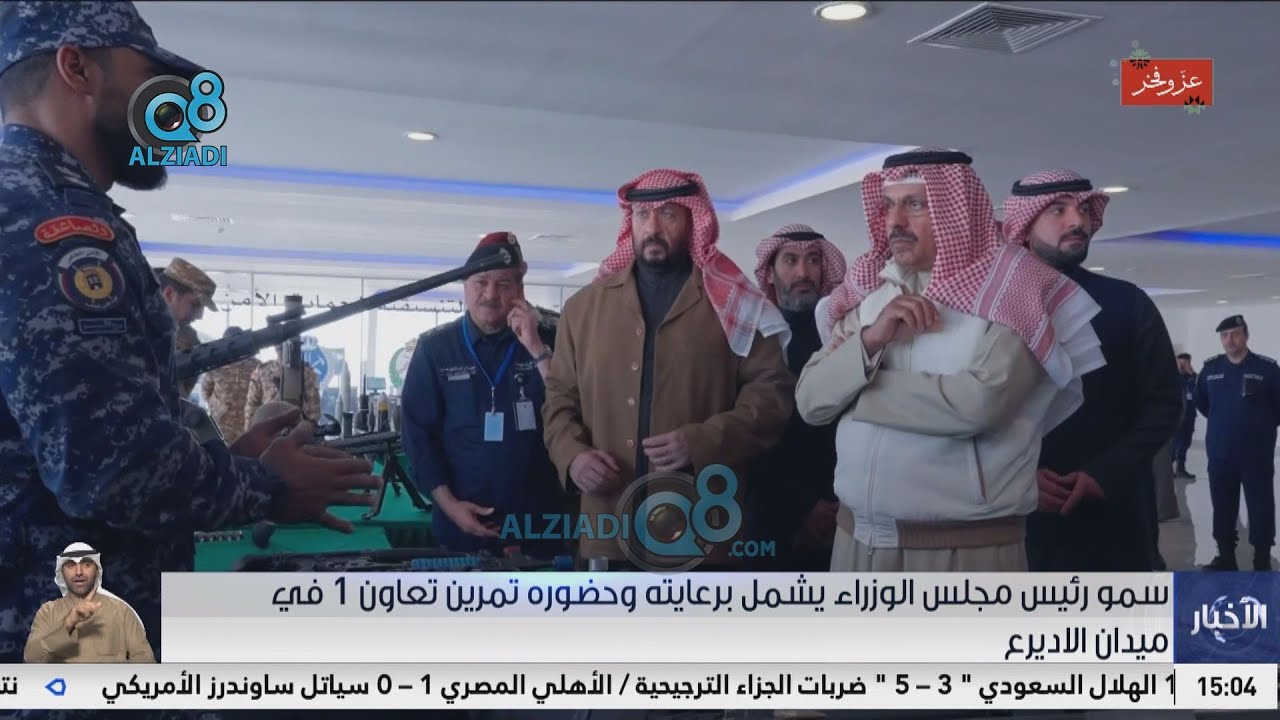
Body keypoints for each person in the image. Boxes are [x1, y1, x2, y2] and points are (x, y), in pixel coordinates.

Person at [0, 0, 382, 664]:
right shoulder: (53, 226)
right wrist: (267, 486)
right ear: (76, 68)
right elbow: (112, 468)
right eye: (148, 78)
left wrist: (232, 460)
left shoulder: (35, 205)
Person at [796, 148, 1104, 572]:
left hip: (965, 551)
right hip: (854, 542)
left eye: (915, 204)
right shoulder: (870, 297)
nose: (895, 221)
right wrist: (871, 339)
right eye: (888, 205)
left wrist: (848, 390)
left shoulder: (1014, 291)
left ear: (955, 211)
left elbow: (977, 405)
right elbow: (809, 401)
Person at [542, 168, 795, 569]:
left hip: (700, 524)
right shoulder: (584, 309)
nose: (653, 228)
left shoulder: (735, 305)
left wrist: (703, 442)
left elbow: (772, 397)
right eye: (643, 216)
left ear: (693, 221)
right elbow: (559, 398)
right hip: (608, 524)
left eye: (668, 215)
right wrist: (572, 456)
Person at [1003, 169, 1183, 572]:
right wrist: (1019, 476)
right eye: (1058, 210)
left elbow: (1165, 405)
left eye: (1084, 209)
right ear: (1024, 224)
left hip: (1115, 518)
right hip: (1016, 522)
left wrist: (1104, 474)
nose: (1078, 221)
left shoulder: (1127, 303)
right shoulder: (995, 307)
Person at [401, 232, 563, 554]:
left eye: (503, 284)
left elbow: (574, 408)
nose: (491, 294)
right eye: (481, 282)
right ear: (465, 286)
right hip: (461, 524)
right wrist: (450, 506)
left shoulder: (551, 339)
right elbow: (418, 438)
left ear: (519, 290)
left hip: (540, 524)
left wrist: (536, 347)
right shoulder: (435, 349)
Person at [746, 224, 847, 570]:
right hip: (771, 514)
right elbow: (747, 436)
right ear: (770, 273)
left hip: (844, 511)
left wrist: (835, 506)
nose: (803, 272)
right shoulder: (753, 338)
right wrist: (803, 508)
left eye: (813, 260)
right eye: (790, 260)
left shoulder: (844, 334)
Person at [1195, 314, 1280, 571]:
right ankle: (1225, 556)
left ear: (1246, 335)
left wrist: (1260, 428)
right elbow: (1203, 404)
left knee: (1260, 506)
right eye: (1224, 335)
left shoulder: (1267, 369)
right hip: (1221, 453)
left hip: (1256, 455)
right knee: (1222, 506)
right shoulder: (1210, 370)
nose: (1229, 340)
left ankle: (1262, 558)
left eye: (1235, 333)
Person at [24, 543, 152, 663]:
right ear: (62, 572)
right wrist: (68, 623)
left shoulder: (121, 611)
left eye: (86, 564)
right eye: (71, 565)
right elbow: (30, 658)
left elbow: (145, 661)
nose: (79, 572)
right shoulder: (48, 612)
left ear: (97, 570)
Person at [158, 257, 217, 399]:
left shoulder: (187, 337)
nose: (200, 315)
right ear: (169, 294)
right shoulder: (136, 329)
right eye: (195, 304)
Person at [200, 327, 261, 444]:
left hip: (246, 427)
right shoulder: (216, 365)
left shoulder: (255, 365)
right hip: (221, 427)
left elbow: (260, 396)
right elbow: (205, 391)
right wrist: (220, 407)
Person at [244, 343, 324, 424]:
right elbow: (252, 406)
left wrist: (311, 427)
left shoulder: (305, 372)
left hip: (296, 426)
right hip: (269, 426)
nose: (279, 346)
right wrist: (251, 429)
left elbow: (314, 407)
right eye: (278, 344)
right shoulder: (262, 371)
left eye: (282, 345)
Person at [1174, 352, 1198, 478]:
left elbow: (1199, 389)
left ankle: (1180, 469)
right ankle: (1168, 471)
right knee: (1174, 444)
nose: (1182, 366)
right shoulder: (1174, 377)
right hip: (1177, 417)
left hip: (1190, 416)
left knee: (1185, 443)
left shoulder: (1194, 377)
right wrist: (1178, 371)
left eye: (1185, 363)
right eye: (1180, 363)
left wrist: (1191, 373)